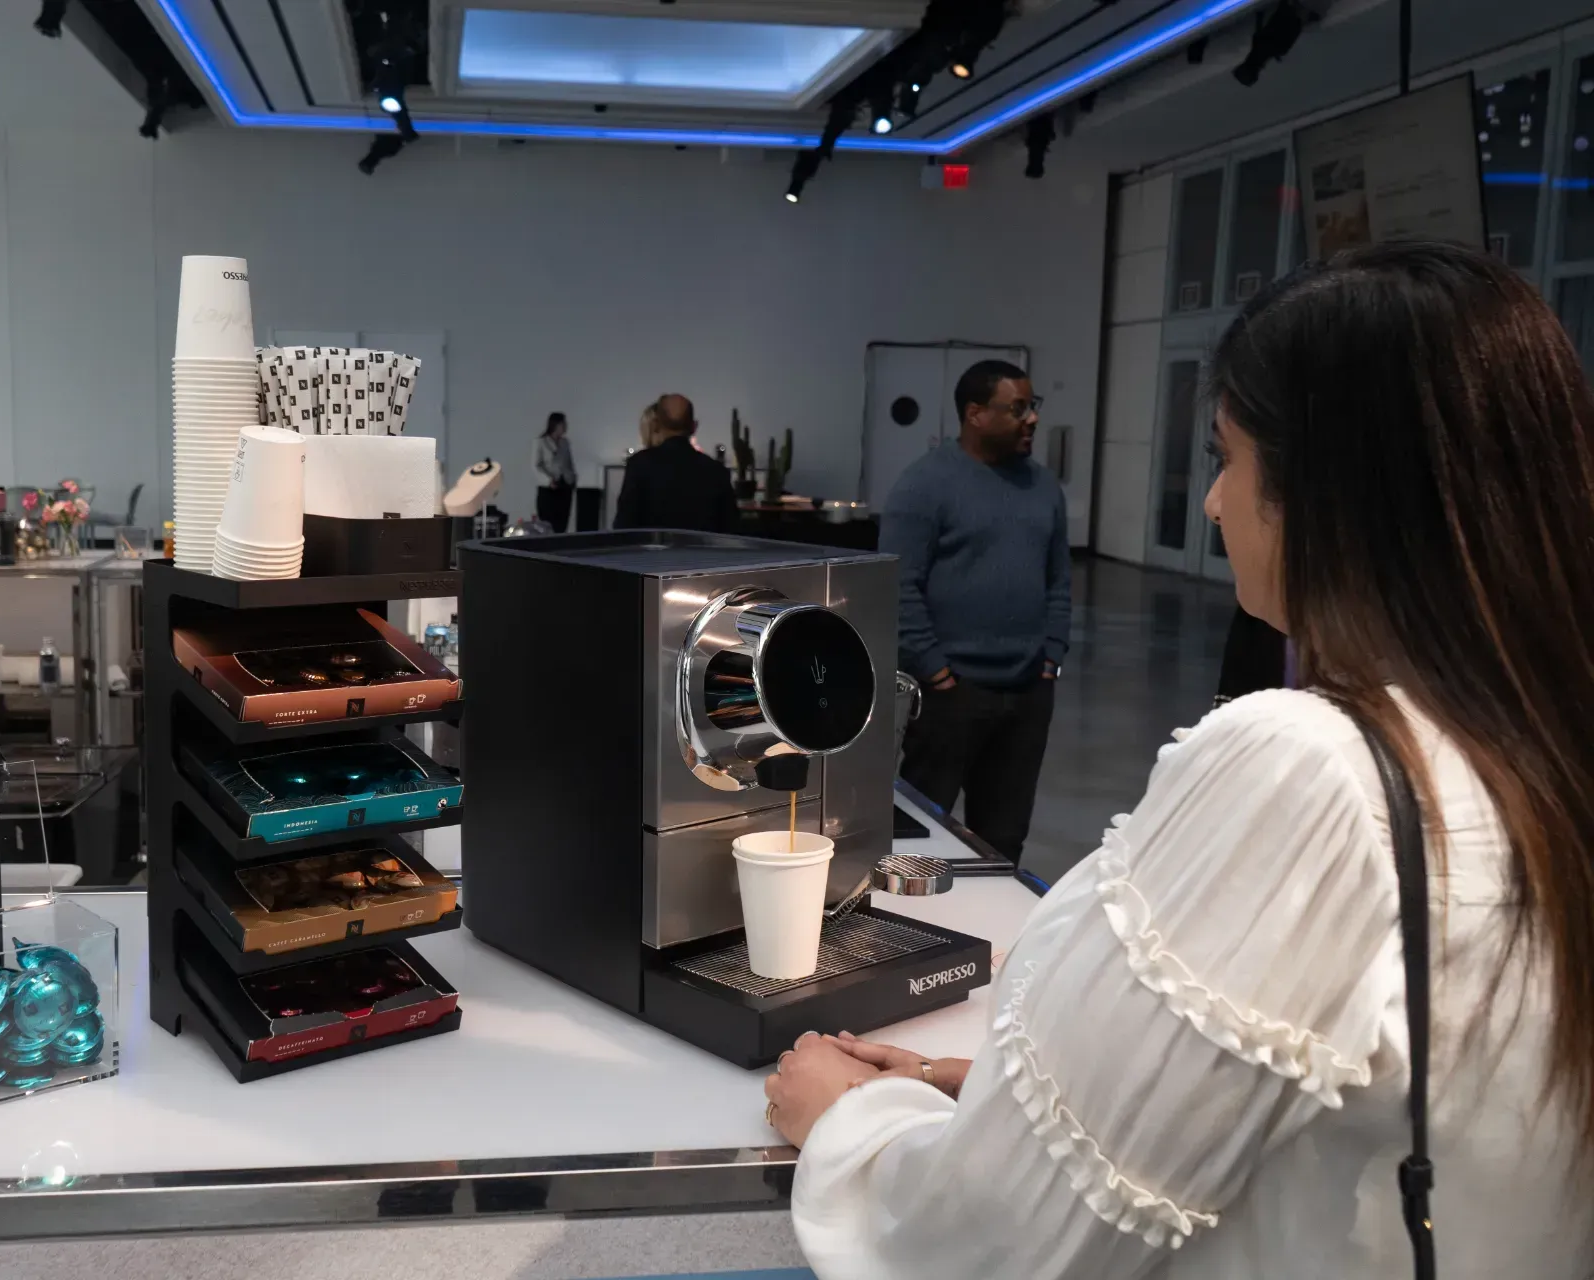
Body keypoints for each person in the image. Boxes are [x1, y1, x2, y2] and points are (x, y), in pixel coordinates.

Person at [763, 242, 1594, 1278]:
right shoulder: (1536, 745)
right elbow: (1340, 1106)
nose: (1212, 503)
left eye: (1228, 457)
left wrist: (853, 1122)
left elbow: (1006, 1240)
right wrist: (988, 1086)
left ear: (1334, 491)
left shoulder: (1310, 771)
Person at [880, 359, 1070, 864]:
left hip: (1027, 692)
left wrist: (1051, 657)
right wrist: (935, 671)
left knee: (1004, 839)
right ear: (976, 414)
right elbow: (898, 587)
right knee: (919, 837)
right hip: (951, 696)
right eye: (1018, 408)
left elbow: (1059, 580)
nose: (1032, 418)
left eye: (1033, 406)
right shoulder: (924, 485)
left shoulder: (1043, 488)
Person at [612, 393, 739, 532]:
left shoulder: (639, 465)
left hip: (652, 547)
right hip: (700, 547)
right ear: (694, 427)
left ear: (656, 425)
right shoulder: (716, 472)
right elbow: (730, 532)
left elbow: (623, 527)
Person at [532, 412, 577, 532]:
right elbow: (536, 465)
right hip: (548, 488)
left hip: (564, 486)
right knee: (547, 524)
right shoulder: (541, 442)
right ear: (556, 425)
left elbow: (569, 463)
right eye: (563, 424)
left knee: (562, 523)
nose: (566, 426)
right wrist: (548, 480)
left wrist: (573, 479)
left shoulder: (565, 443)